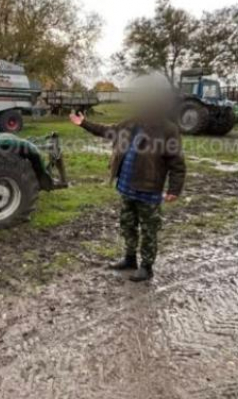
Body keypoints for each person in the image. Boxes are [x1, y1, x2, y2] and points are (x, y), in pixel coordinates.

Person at [70, 104, 186, 281]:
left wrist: (174, 189)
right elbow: (108, 131)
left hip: (149, 188)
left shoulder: (168, 129)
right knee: (127, 224)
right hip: (126, 184)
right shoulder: (132, 122)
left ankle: (146, 267)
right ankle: (130, 259)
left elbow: (176, 161)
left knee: (149, 230)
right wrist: (84, 123)